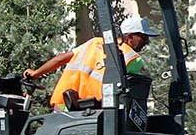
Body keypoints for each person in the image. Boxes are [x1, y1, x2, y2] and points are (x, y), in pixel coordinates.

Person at [24, 14, 159, 111]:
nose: (147, 41)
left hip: (65, 105)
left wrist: (35, 73)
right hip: (94, 112)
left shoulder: (94, 43)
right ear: (129, 37)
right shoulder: (133, 58)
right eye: (143, 37)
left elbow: (60, 59)